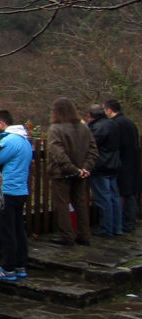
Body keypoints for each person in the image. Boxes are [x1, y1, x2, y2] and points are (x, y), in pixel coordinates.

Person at [0, 109, 35, 282]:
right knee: (17, 229)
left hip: (8, 191)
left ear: (1, 124)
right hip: (20, 190)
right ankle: (20, 264)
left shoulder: (11, 140)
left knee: (5, 230)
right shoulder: (24, 140)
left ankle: (8, 267)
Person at [47, 97, 99, 246]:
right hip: (81, 172)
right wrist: (85, 168)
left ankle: (67, 236)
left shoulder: (55, 129)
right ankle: (84, 234)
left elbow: (58, 153)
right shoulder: (84, 128)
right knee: (81, 203)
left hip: (61, 173)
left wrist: (74, 169)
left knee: (62, 204)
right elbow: (93, 150)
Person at [105, 99, 140, 234]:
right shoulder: (130, 122)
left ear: (109, 110)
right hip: (133, 160)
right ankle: (130, 220)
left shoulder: (115, 124)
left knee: (125, 192)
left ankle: (128, 222)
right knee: (131, 192)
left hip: (122, 161)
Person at [87, 104, 122, 237]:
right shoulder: (112, 124)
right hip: (114, 163)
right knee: (114, 196)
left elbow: (92, 145)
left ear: (92, 115)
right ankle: (117, 227)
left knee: (103, 198)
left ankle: (106, 229)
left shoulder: (98, 127)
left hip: (102, 165)